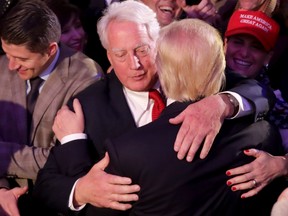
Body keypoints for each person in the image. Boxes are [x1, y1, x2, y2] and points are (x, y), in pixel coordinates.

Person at [34, 1, 276, 215]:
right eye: (120, 54)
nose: (135, 64)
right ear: (108, 56)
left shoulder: (201, 75)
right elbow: (46, 185)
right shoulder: (87, 106)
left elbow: (259, 91)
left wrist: (223, 103)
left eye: (142, 50)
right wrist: (81, 190)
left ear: (159, 45)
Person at [88, 18, 285, 216]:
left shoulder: (127, 152)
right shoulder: (263, 134)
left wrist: (73, 142)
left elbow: (94, 209)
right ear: (220, 67)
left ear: (161, 69)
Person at [0, 0, 103, 215]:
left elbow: (66, 157)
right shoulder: (2, 68)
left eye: (21, 58)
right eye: (7, 54)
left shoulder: (86, 77)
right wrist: (2, 189)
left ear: (50, 49)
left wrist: (5, 155)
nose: (11, 65)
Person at [223, 9, 288, 199]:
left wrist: (281, 165)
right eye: (238, 42)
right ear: (225, 44)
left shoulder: (280, 103)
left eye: (256, 47)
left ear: (268, 57)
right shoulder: (200, 82)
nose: (244, 52)